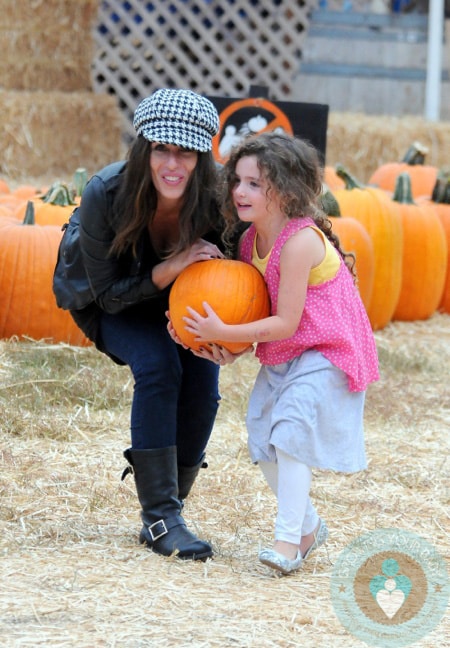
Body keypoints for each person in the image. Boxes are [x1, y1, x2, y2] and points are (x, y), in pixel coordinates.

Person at [182, 132, 380, 575]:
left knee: (290, 430)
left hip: (326, 348)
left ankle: (288, 542)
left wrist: (224, 329)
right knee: (263, 439)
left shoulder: (299, 242)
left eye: (255, 184)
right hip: (286, 351)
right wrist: (232, 348)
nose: (239, 191)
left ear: (287, 190)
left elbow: (287, 321)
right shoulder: (251, 241)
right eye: (238, 181)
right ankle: (308, 526)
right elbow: (260, 308)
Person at [54, 88, 233, 562]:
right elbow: (109, 293)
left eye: (186, 152)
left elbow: (235, 278)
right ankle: (158, 518)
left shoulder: (214, 199)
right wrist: (173, 266)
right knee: (158, 364)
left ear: (202, 155)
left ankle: (172, 511)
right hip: (107, 302)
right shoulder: (106, 193)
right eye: (161, 149)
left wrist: (231, 336)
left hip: (179, 301)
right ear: (144, 148)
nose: (172, 164)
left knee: (203, 384)